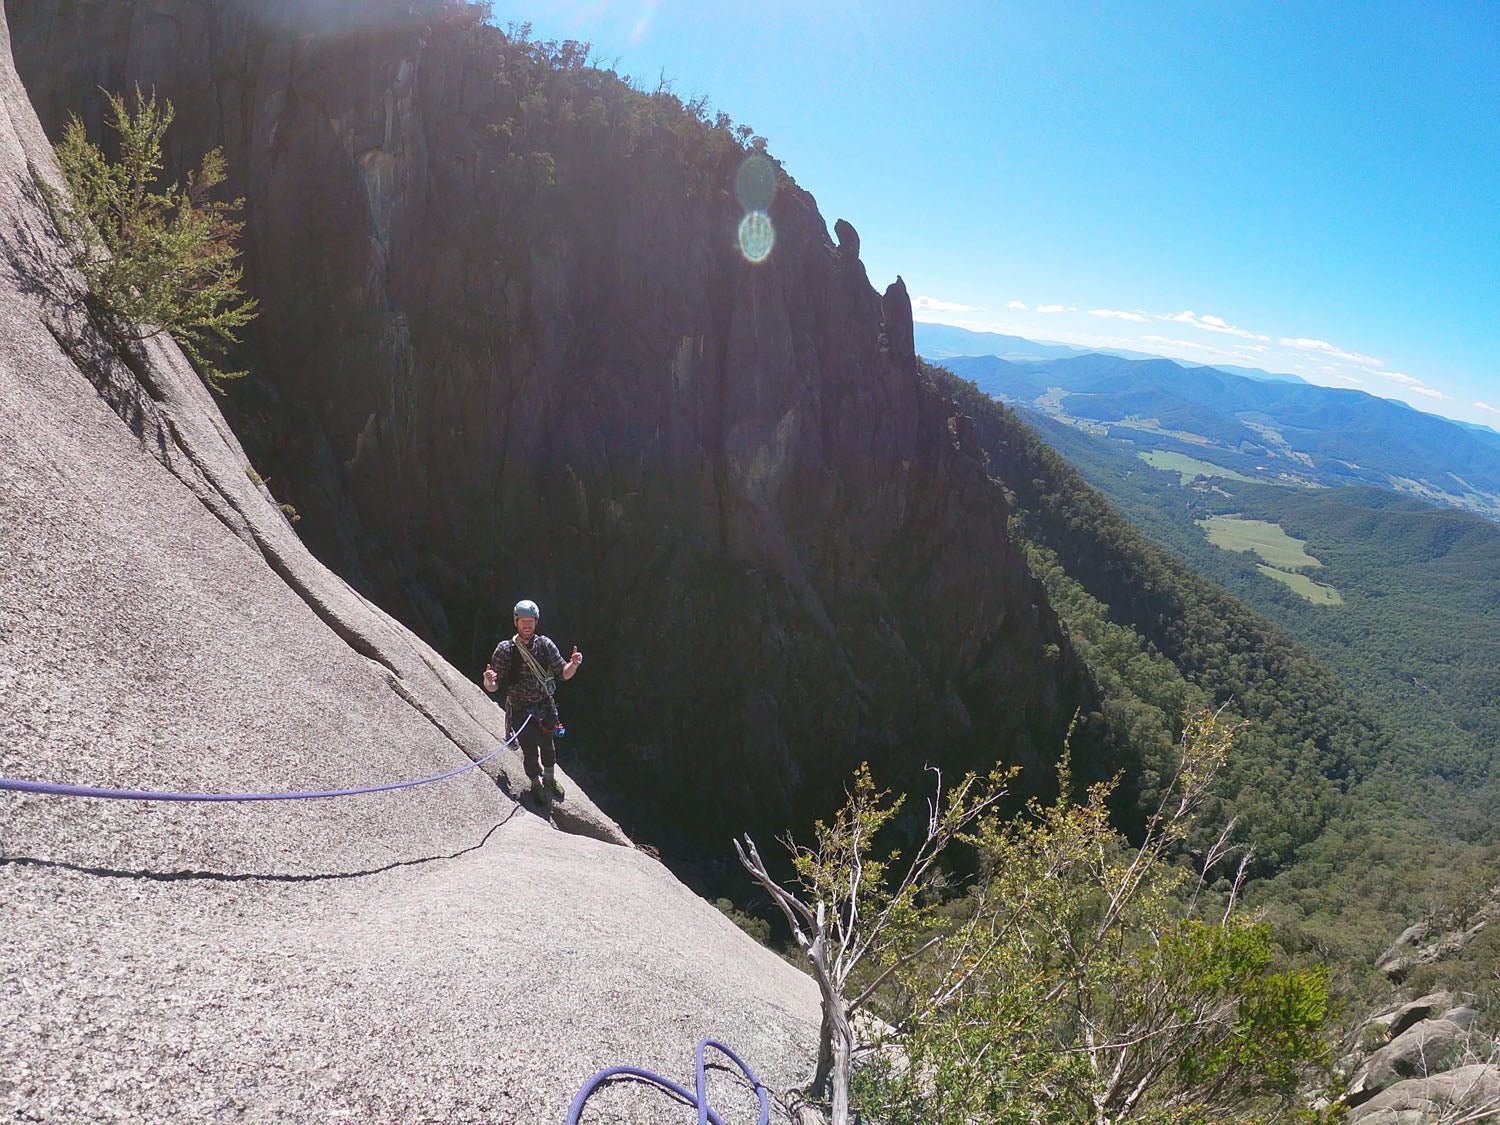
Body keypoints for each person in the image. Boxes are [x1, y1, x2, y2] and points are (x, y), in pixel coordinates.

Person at [483, 599, 582, 804]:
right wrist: (488, 680)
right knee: (529, 751)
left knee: (548, 746)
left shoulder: (545, 645)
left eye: (530, 621)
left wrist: (573, 665)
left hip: (544, 705)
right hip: (520, 708)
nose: (527, 625)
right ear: (516, 622)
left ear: (536, 622)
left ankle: (549, 779)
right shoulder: (505, 650)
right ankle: (536, 784)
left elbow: (563, 672)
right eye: (523, 621)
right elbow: (493, 686)